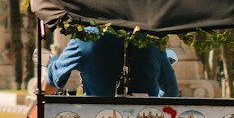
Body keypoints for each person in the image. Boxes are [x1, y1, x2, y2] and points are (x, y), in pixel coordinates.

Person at [44, 29, 179, 97]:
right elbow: (171, 90)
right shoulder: (151, 42)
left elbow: (55, 78)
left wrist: (53, 63)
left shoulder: (85, 38)